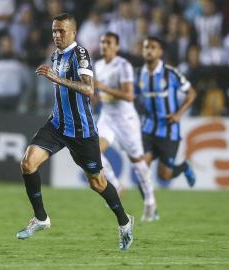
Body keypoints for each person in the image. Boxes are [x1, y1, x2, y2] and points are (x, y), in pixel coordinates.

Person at [16, 13, 134, 251]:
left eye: (61, 31)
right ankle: (41, 219)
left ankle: (124, 222)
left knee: (97, 183)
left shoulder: (80, 53)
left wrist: (57, 78)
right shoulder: (56, 54)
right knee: (28, 164)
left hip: (81, 131)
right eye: (54, 31)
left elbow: (89, 89)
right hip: (57, 124)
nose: (56, 35)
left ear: (73, 33)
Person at [94, 32, 157, 222]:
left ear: (117, 47)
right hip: (107, 116)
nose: (104, 45)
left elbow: (129, 95)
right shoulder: (97, 65)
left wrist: (103, 87)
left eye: (109, 43)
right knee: (93, 153)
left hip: (125, 118)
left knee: (138, 162)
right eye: (102, 42)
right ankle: (115, 185)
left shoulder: (123, 65)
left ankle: (150, 201)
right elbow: (98, 91)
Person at [135, 36, 197, 188]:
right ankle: (150, 209)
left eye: (153, 47)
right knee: (142, 167)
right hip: (148, 128)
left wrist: (178, 114)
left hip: (168, 129)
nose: (149, 51)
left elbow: (192, 93)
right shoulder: (138, 74)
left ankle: (184, 167)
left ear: (160, 52)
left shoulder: (171, 73)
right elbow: (132, 96)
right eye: (146, 47)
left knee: (164, 175)